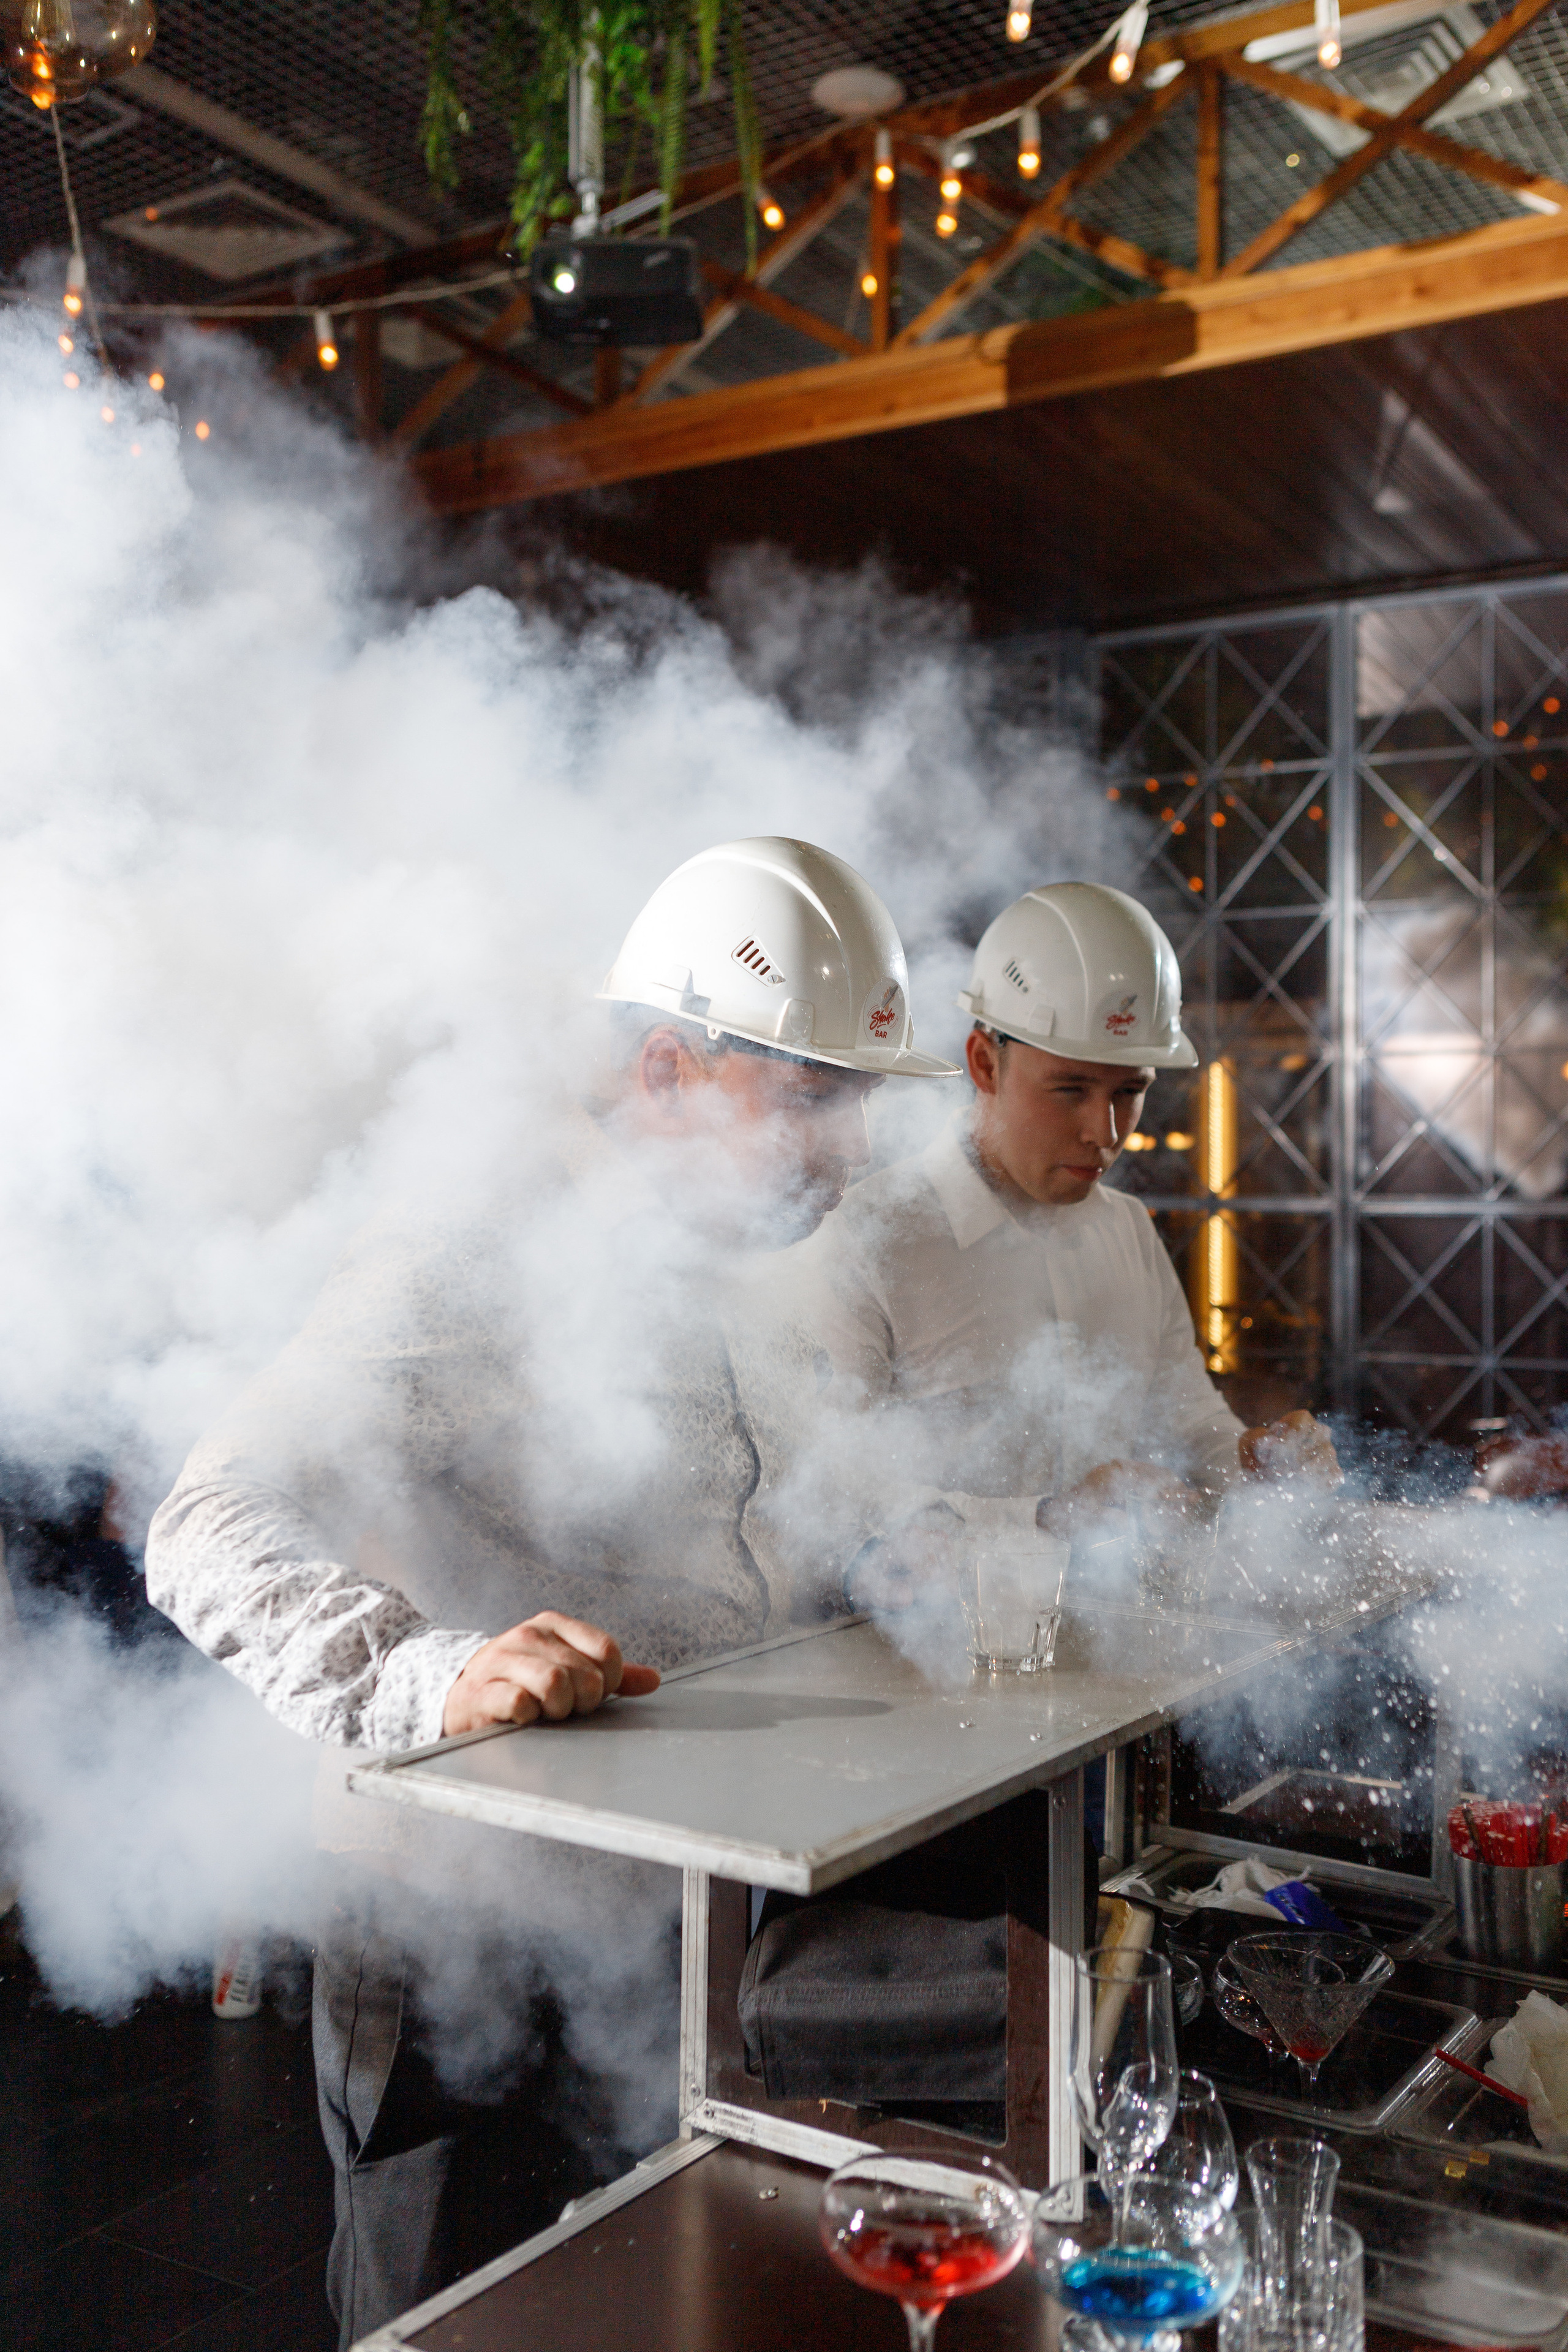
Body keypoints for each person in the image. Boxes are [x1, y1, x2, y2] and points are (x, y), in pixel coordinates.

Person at [144, 835, 959, 2345]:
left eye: (860, 1105)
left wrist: (860, 1551)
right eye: (809, 1098)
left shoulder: (728, 1256)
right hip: (463, 1927)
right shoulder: (472, 1240)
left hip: (671, 1917)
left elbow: (711, 1522)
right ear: (662, 1066)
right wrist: (426, 1671)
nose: (843, 1156)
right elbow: (206, 1517)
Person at [783, 881, 1339, 1623]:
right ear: (985, 1062)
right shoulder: (867, 1237)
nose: (1106, 1133)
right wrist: (1047, 1519)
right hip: (923, 1680)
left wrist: (1258, 1468)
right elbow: (828, 1501)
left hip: (1114, 1669)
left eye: (1129, 1092)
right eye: (1070, 1090)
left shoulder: (1129, 1232)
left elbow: (1191, 1426)